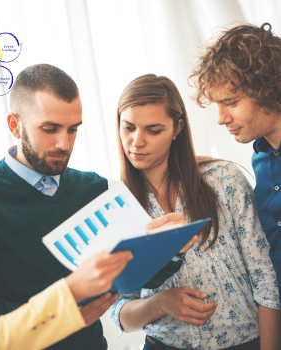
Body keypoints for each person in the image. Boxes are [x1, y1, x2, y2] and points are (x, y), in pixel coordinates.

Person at [0, 63, 119, 350]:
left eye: (73, 129)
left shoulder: (93, 188)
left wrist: (168, 247)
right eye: (50, 129)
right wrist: (66, 308)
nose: (64, 143)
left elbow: (127, 276)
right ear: (15, 125)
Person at [109, 74, 280, 350]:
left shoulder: (225, 179)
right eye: (128, 127)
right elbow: (118, 310)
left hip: (246, 341)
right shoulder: (117, 207)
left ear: (177, 128)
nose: (136, 142)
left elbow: (266, 280)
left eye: (153, 130)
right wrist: (160, 303)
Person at [189, 23, 281, 326]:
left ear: (270, 90)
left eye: (231, 102)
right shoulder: (261, 158)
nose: (220, 118)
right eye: (217, 104)